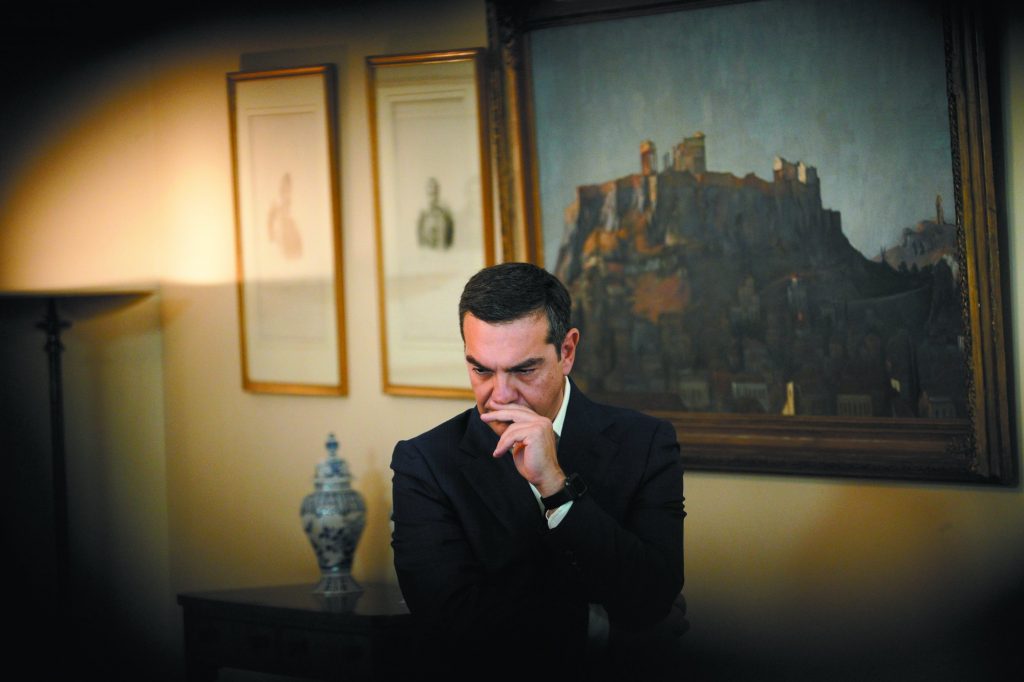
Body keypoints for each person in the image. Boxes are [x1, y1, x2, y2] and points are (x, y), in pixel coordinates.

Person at [390, 262, 685, 679]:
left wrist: (556, 487)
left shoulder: (647, 443)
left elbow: (652, 595)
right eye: (481, 370)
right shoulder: (425, 463)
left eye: (523, 370)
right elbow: (450, 618)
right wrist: (599, 628)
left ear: (567, 352)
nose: (500, 395)